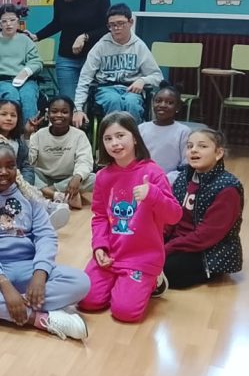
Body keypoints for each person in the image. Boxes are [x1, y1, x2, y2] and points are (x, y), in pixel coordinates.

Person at [0, 136, 91, 341]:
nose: (4, 172)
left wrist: (40, 274)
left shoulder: (28, 195)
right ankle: (39, 319)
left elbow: (46, 236)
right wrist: (5, 286)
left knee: (81, 282)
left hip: (29, 267)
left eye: (10, 166)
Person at [78, 112, 181, 323]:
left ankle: (153, 280)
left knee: (125, 312)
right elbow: (99, 216)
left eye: (120, 135)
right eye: (108, 138)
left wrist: (153, 194)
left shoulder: (153, 172)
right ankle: (121, 282)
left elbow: (174, 216)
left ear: (134, 137)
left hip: (141, 258)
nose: (115, 143)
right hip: (111, 254)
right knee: (87, 301)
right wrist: (99, 246)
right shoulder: (103, 176)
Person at [162, 128, 244, 291]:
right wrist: (159, 238)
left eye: (202, 146)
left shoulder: (227, 188)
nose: (194, 150)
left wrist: (167, 248)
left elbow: (206, 236)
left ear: (218, 153)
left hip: (208, 251)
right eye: (190, 146)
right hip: (179, 241)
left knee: (166, 268)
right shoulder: (183, 177)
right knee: (140, 251)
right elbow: (170, 214)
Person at [29, 0, 111, 101]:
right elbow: (57, 23)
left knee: (93, 102)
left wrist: (84, 36)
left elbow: (106, 27)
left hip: (93, 58)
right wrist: (36, 36)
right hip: (66, 59)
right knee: (68, 102)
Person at [72, 3, 162, 127]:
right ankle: (113, 135)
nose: (116, 28)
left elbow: (157, 77)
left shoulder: (139, 46)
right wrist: (78, 108)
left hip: (131, 90)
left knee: (132, 103)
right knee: (113, 100)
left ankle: (134, 136)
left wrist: (143, 80)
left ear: (131, 22)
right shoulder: (101, 46)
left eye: (121, 23)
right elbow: (85, 77)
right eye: (112, 25)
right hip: (105, 88)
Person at [28, 96, 95, 210]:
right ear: (48, 114)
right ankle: (60, 196)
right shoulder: (39, 134)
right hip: (44, 178)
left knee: (94, 178)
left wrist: (77, 177)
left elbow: (84, 160)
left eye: (64, 112)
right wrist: (27, 136)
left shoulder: (79, 135)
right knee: (25, 173)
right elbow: (29, 161)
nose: (59, 115)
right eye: (54, 111)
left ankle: (46, 193)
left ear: (71, 114)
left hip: (69, 179)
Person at [138, 84, 191, 181]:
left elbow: (185, 163)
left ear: (178, 107)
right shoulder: (141, 128)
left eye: (170, 102)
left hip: (170, 181)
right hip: (143, 179)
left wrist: (167, 179)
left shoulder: (183, 131)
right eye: (158, 101)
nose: (162, 105)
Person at [0, 99, 35, 185]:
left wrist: (24, 185)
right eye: (3, 114)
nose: (9, 118)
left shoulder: (19, 142)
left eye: (13, 115)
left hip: (15, 183)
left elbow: (27, 167)